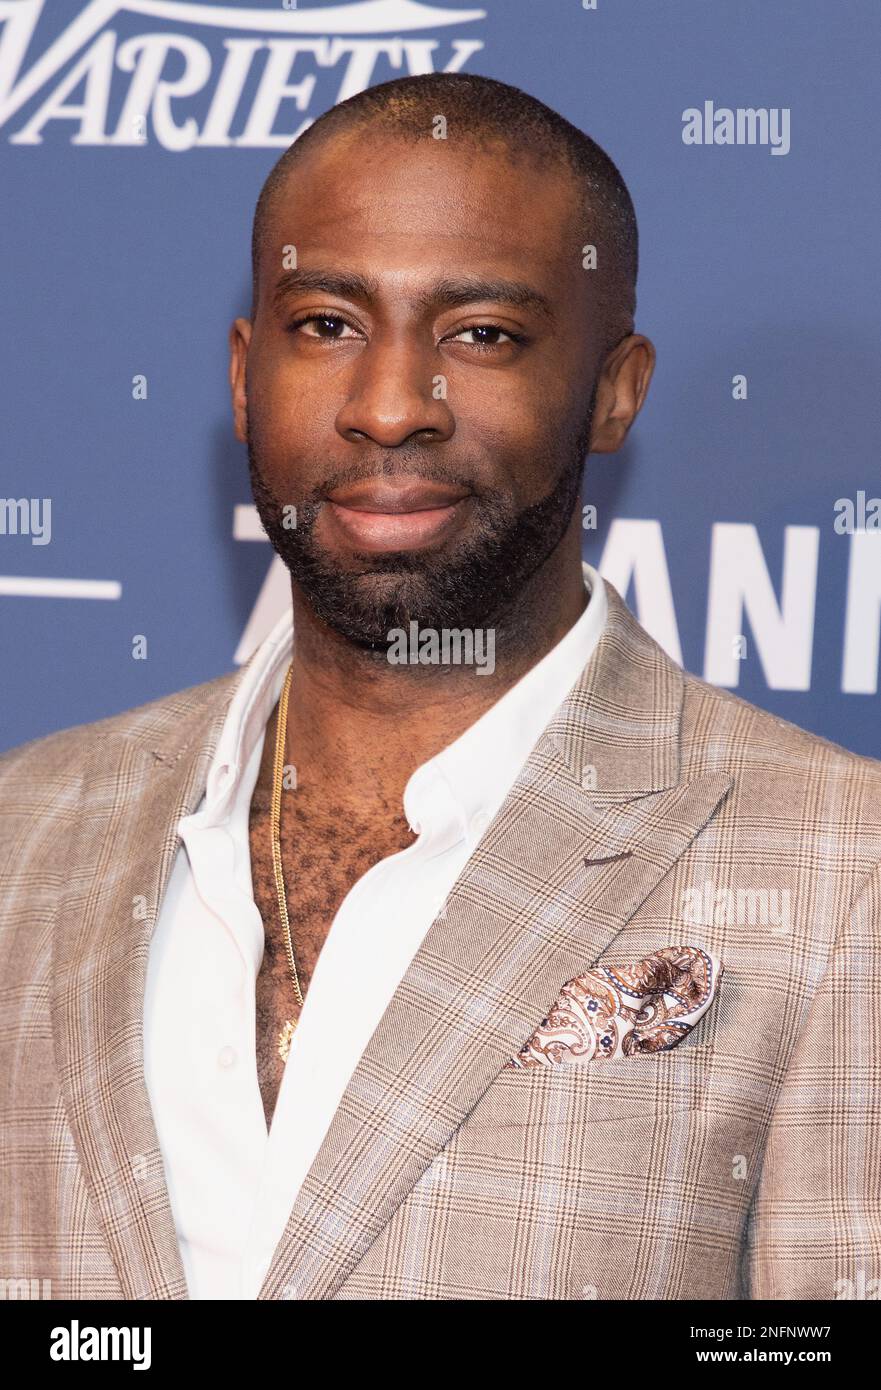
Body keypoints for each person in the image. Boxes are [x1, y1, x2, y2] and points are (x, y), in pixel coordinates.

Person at [1, 72, 879, 1302]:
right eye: (326, 325)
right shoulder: (28, 826)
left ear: (615, 389)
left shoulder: (844, 870)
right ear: (245, 376)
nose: (388, 407)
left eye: (480, 334)